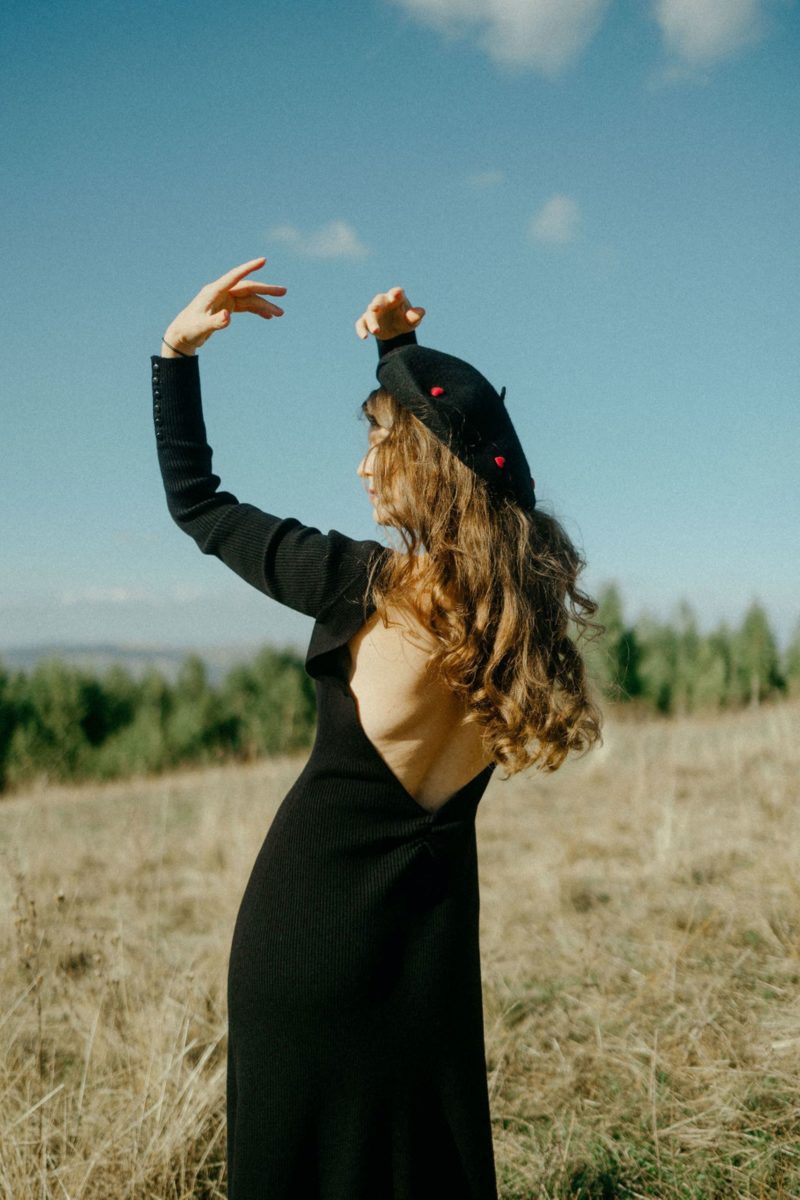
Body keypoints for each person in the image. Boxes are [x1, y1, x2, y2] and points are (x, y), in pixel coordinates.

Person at [151, 256, 603, 1199]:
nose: (361, 464)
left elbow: (198, 501)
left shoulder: (367, 587)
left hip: (305, 936)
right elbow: (485, 463)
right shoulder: (519, 623)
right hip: (427, 962)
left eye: (380, 441)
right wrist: (401, 355)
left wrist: (174, 356)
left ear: (428, 464)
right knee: (409, 1169)